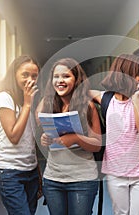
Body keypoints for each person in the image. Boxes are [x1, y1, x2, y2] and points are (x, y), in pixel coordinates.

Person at [91, 54, 139, 215]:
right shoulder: (106, 98)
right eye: (137, 75)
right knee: (120, 213)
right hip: (115, 171)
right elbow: (81, 92)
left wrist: (135, 98)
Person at [36, 58, 102, 215]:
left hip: (82, 179)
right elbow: (40, 126)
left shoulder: (88, 106)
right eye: (56, 76)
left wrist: (76, 138)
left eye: (66, 76)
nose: (60, 81)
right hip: (53, 178)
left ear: (76, 79)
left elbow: (97, 144)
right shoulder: (48, 104)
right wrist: (45, 139)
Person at [0, 55, 40, 215]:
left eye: (34, 76)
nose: (30, 80)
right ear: (14, 75)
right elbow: (14, 136)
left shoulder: (29, 101)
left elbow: (30, 142)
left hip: (30, 169)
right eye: (25, 75)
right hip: (9, 171)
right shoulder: (4, 98)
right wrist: (27, 104)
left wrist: (37, 172)